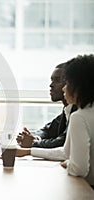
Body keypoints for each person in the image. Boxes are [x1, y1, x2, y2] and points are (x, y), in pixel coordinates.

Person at [16, 54, 94, 189]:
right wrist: (28, 151)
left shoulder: (78, 117)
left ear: (79, 87)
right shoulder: (86, 111)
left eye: (67, 83)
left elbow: (79, 169)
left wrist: (69, 164)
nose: (64, 89)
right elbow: (65, 153)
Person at [16, 63, 77, 148]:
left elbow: (62, 142)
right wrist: (34, 137)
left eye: (57, 80)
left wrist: (33, 143)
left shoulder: (78, 111)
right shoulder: (67, 110)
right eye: (52, 80)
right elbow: (47, 130)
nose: (51, 85)